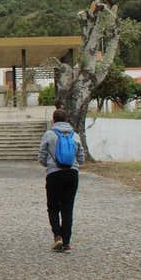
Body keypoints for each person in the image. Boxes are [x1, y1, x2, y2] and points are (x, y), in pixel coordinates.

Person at [38, 108, 85, 253]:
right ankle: (67, 243)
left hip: (54, 174)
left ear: (53, 120)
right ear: (66, 120)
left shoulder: (49, 134)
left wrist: (49, 164)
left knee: (53, 206)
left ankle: (57, 236)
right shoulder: (75, 135)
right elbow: (81, 158)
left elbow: (41, 156)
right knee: (67, 208)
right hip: (72, 174)